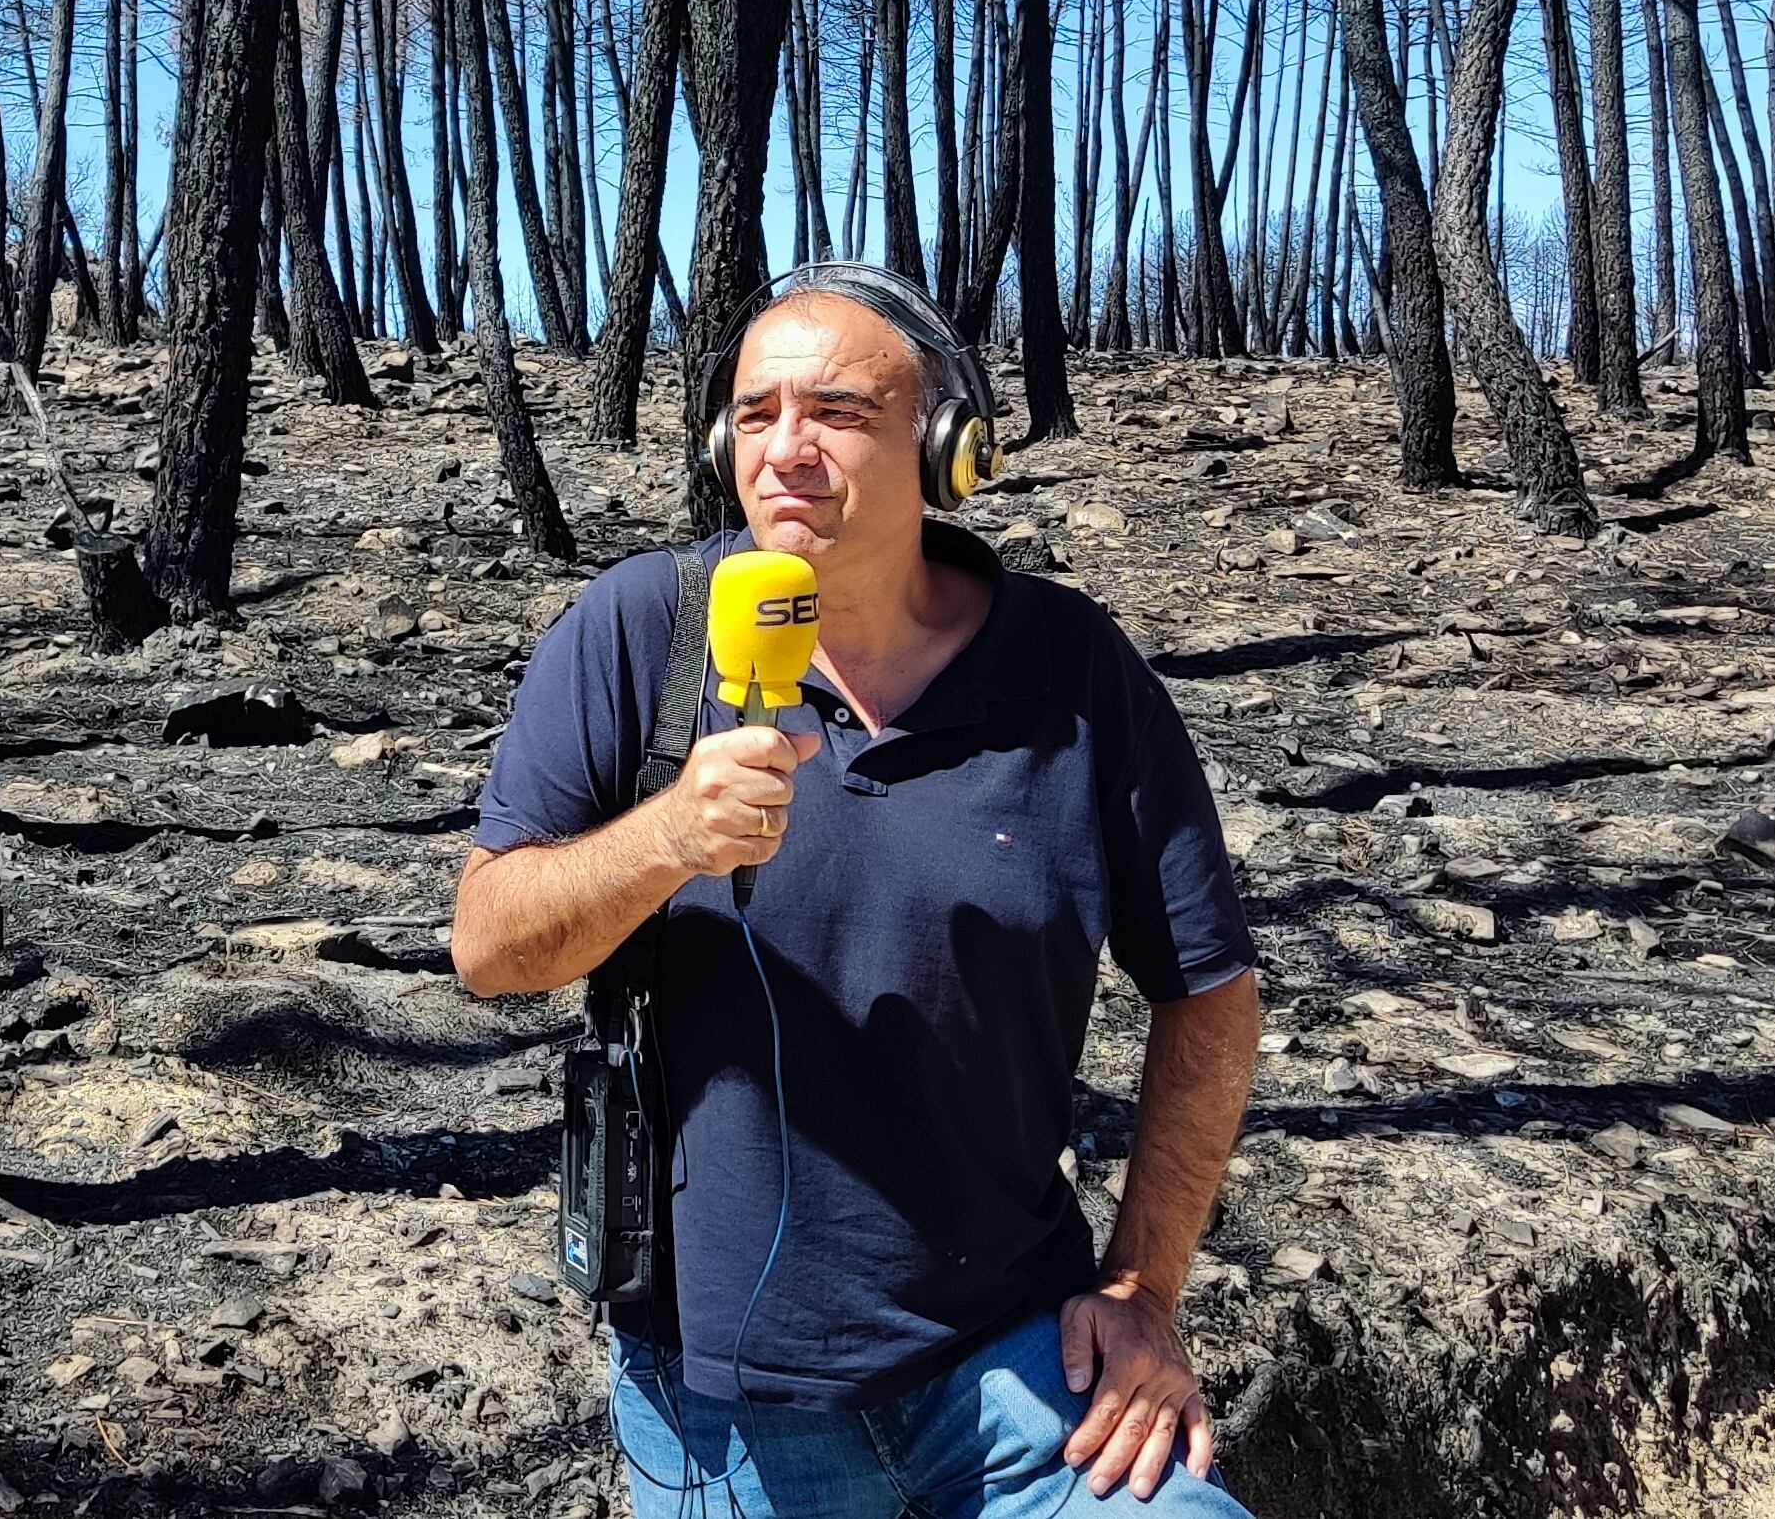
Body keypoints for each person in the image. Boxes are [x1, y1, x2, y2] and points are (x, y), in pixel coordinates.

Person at [451, 262, 1264, 1516]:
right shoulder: (637, 633)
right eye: (756, 413)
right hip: (719, 1407)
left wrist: (1141, 1290)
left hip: (1020, 1378)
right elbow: (491, 946)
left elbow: (1208, 991)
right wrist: (665, 837)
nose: (786, 450)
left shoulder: (1070, 669)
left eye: (836, 412)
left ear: (947, 448)